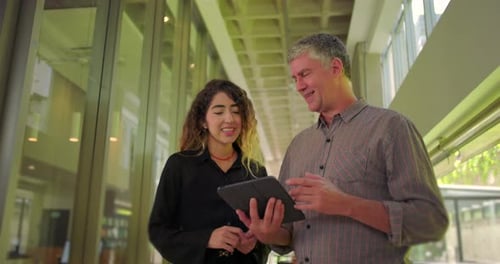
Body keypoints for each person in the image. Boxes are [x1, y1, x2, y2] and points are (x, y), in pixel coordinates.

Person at [236, 33, 449, 263]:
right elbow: (289, 234)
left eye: (305, 74)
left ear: (336, 68)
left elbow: (431, 221)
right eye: (295, 78)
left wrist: (346, 204)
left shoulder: (391, 128)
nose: (299, 86)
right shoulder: (298, 146)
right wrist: (269, 233)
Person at [148, 79, 269, 263]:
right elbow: (159, 231)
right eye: (219, 112)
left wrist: (255, 244)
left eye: (236, 112)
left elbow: (267, 235)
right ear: (203, 121)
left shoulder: (255, 172)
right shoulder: (180, 166)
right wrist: (207, 239)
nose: (229, 119)